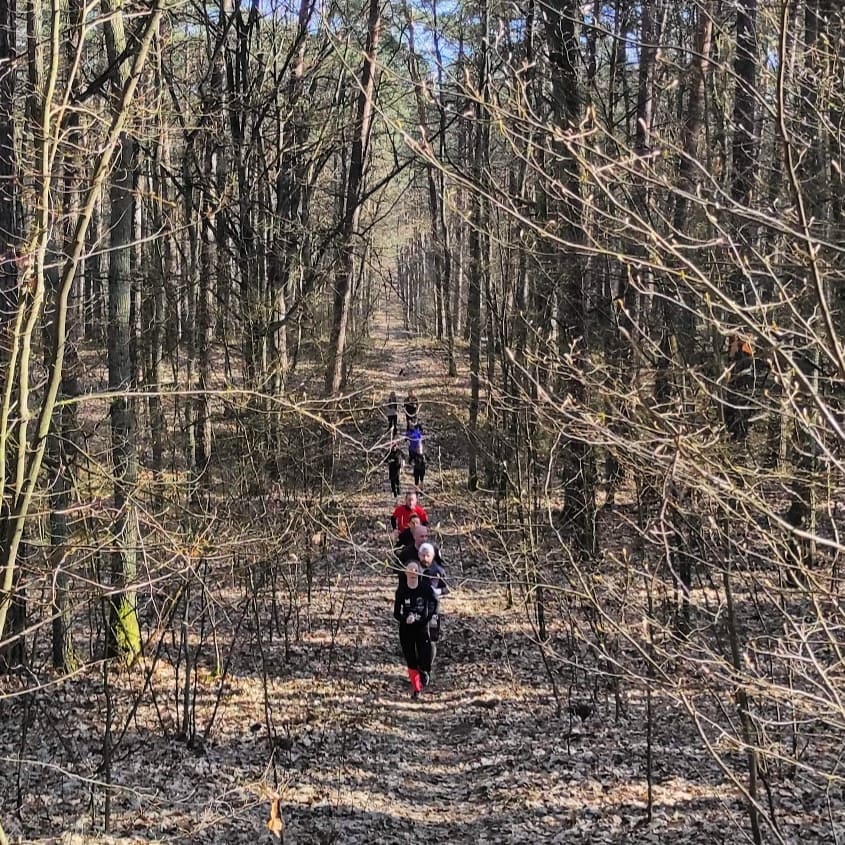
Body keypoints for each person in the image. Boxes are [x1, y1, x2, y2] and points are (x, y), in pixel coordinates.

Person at [393, 561, 437, 699]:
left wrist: (428, 617)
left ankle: (424, 670)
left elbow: (434, 603)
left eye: (415, 570)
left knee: (425, 655)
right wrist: (404, 618)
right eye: (410, 570)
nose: (413, 573)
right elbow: (396, 612)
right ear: (405, 573)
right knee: (410, 659)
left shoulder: (425, 588)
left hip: (422, 627)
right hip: (406, 629)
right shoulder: (401, 590)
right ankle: (417, 689)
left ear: (419, 573)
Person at [419, 542, 449, 661]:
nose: (425, 558)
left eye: (428, 555)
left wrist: (437, 591)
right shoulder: (414, 568)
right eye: (423, 555)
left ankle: (428, 666)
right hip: (418, 607)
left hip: (433, 608)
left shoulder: (438, 571)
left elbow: (447, 588)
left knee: (432, 638)